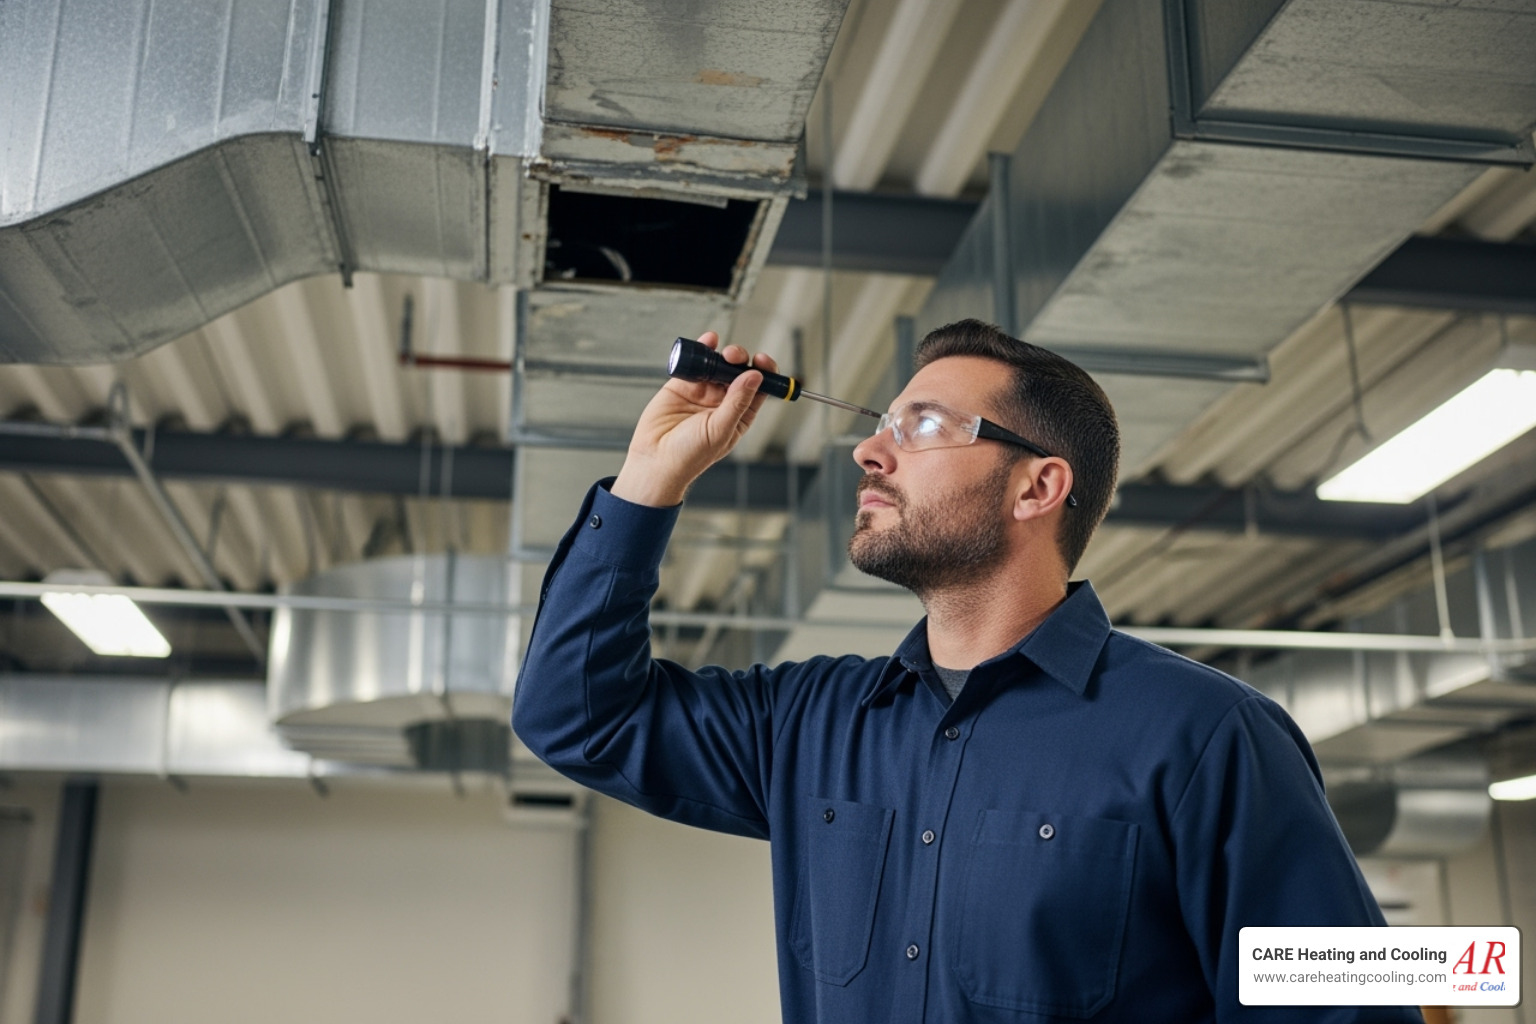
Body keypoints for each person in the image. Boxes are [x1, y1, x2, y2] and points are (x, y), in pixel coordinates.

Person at [512, 320, 1419, 1023]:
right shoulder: (811, 723)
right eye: (880, 427)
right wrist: (647, 481)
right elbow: (575, 717)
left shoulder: (1208, 735)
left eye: (925, 426)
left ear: (1038, 487)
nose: (871, 451)